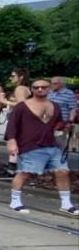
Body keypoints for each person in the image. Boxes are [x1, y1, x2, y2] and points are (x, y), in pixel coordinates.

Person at [5, 79, 78, 215]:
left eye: (43, 87)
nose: (40, 89)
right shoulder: (22, 106)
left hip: (51, 144)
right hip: (30, 145)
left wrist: (65, 125)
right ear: (31, 89)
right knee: (26, 172)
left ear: (49, 89)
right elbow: (12, 125)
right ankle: (15, 201)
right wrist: (12, 141)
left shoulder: (55, 106)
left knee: (62, 171)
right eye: (36, 87)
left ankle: (66, 203)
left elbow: (58, 123)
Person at [4, 69, 31, 175]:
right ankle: (16, 168)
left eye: (13, 75)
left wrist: (3, 101)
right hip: (21, 119)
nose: (10, 78)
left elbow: (21, 104)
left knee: (13, 143)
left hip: (18, 119)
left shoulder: (20, 88)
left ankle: (12, 170)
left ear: (21, 77)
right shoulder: (25, 88)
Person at [47, 77, 77, 150]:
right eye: (51, 83)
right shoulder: (49, 92)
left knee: (59, 144)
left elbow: (73, 109)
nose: (52, 85)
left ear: (62, 84)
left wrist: (70, 122)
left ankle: (60, 160)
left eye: (55, 84)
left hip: (61, 124)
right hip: (47, 123)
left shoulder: (69, 94)